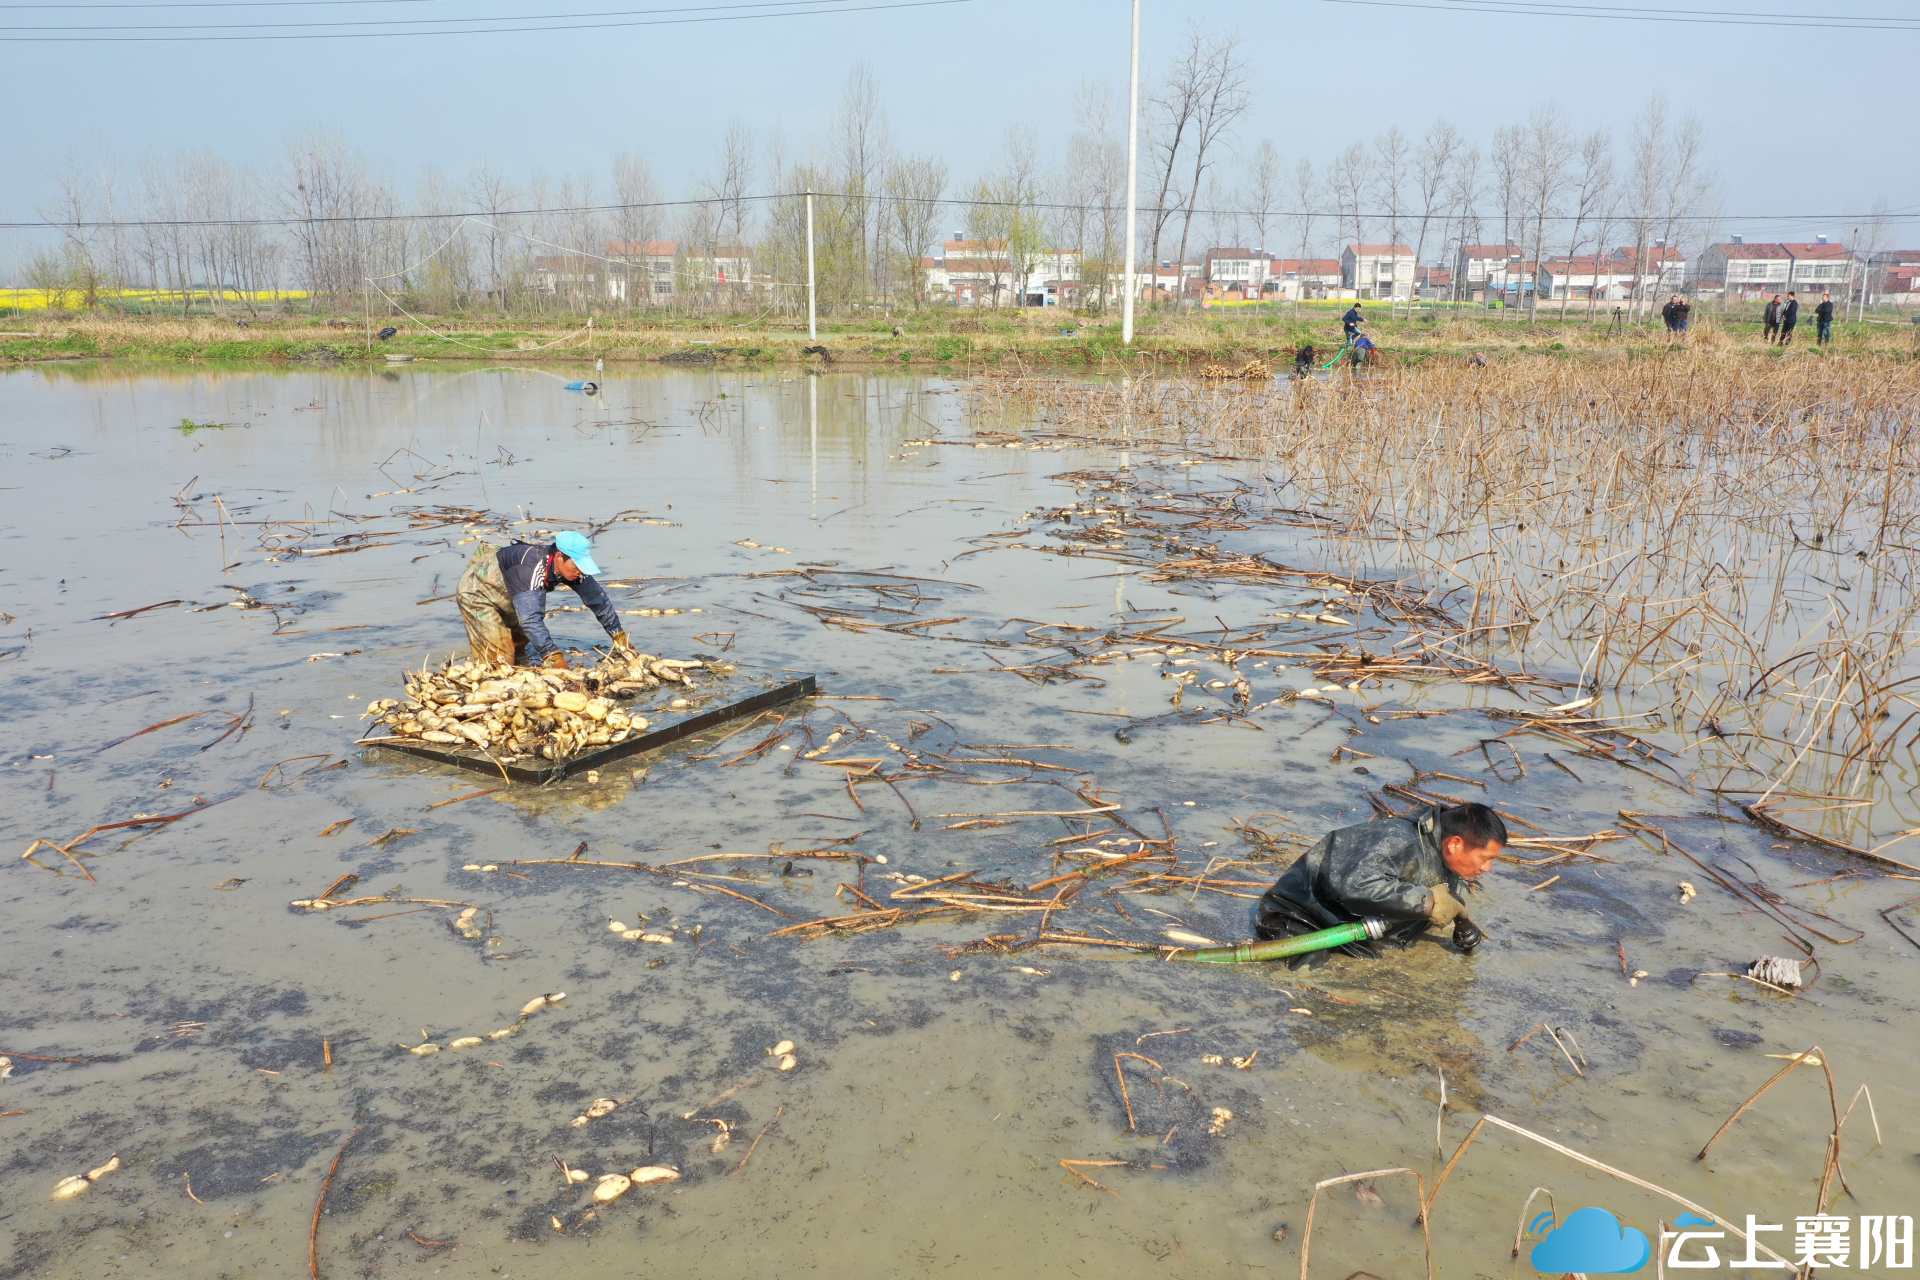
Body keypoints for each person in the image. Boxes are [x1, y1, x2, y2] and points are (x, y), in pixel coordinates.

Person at [1252, 802, 1505, 967]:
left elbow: (1439, 895)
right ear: (1455, 844)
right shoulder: (1398, 839)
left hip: (1356, 927)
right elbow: (1356, 887)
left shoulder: (1445, 851)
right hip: (1302, 915)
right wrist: (1426, 902)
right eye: (1484, 859)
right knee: (1309, 975)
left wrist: (1459, 920)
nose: (1486, 869)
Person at [456, 530, 627, 669]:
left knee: (519, 650)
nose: (580, 571)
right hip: (479, 592)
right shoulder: (533, 569)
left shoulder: (574, 570)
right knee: (501, 665)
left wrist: (618, 636)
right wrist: (553, 655)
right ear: (559, 557)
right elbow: (530, 620)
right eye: (577, 566)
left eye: (583, 567)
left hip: (512, 591)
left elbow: (598, 599)